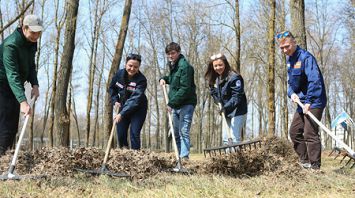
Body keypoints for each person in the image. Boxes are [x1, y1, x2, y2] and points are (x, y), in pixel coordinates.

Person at [277, 31, 327, 170]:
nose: (285, 50)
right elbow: (291, 84)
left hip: (314, 100)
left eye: (287, 46)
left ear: (294, 42)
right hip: (302, 102)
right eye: (282, 48)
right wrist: (291, 93)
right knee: (294, 132)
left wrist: (309, 102)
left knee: (310, 132)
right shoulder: (290, 61)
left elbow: (314, 81)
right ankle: (304, 162)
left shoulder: (306, 58)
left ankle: (315, 166)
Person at [0, 15, 42, 156]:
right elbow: (12, 75)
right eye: (33, 32)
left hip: (14, 87)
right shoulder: (10, 45)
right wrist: (23, 101)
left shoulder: (31, 43)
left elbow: (30, 66)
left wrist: (35, 84)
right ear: (24, 28)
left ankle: (5, 161)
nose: (36, 36)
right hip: (2, 86)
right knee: (5, 126)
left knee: (12, 128)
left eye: (39, 33)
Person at [159, 42, 197, 160]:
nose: (170, 56)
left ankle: (184, 157)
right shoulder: (174, 66)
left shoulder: (185, 67)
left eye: (173, 53)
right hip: (176, 105)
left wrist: (171, 103)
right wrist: (163, 78)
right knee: (176, 133)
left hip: (186, 104)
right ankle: (179, 157)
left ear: (179, 52)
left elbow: (185, 88)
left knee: (183, 131)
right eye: (168, 54)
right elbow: (172, 79)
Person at [205, 53, 247, 145]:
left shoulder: (234, 77)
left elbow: (237, 97)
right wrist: (217, 100)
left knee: (234, 136)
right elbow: (213, 93)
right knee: (225, 138)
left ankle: (235, 158)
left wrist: (225, 107)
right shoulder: (215, 78)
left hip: (238, 110)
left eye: (220, 65)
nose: (218, 68)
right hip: (226, 111)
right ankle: (227, 157)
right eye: (215, 66)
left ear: (225, 64)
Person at [109, 53, 147, 150]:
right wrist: (115, 100)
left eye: (135, 67)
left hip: (138, 109)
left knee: (134, 133)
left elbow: (135, 100)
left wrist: (121, 113)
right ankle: (124, 154)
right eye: (130, 65)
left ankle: (136, 156)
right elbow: (112, 88)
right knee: (121, 134)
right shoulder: (119, 75)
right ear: (126, 64)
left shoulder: (141, 80)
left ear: (138, 67)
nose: (132, 69)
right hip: (122, 107)